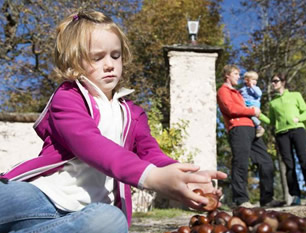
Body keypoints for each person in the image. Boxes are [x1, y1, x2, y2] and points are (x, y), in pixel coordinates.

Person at [0, 10, 227, 233]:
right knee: (12, 194)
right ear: (73, 62)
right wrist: (151, 177)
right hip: (41, 197)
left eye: (115, 56)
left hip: (86, 215)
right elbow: (90, 144)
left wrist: (187, 181)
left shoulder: (133, 114)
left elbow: (152, 154)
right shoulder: (68, 97)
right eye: (97, 57)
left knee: (111, 221)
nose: (109, 64)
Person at [217, 64, 284, 208]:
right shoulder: (223, 91)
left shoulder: (239, 93)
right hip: (238, 128)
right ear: (227, 75)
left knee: (266, 162)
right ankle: (241, 200)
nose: (238, 77)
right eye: (236, 73)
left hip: (251, 128)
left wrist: (262, 120)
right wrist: (252, 111)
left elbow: (252, 106)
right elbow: (231, 109)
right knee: (241, 162)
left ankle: (267, 199)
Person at [268, 73, 306, 206]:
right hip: (281, 134)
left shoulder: (295, 95)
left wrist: (299, 119)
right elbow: (271, 121)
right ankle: (295, 196)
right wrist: (258, 115)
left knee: (305, 162)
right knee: (289, 166)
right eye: (272, 81)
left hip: (298, 131)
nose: (273, 84)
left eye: (276, 81)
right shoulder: (273, 103)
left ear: (283, 82)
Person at [239, 71, 266, 137]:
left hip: (254, 105)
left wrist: (252, 86)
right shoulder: (243, 89)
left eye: (256, 80)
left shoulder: (256, 88)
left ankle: (259, 126)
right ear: (247, 80)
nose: (255, 82)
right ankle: (255, 127)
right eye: (253, 79)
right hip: (246, 105)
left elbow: (259, 94)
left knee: (251, 115)